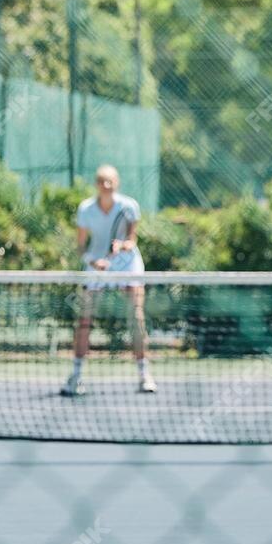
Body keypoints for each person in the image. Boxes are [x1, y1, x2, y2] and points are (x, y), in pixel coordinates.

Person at [62, 165, 155, 395]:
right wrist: (94, 261)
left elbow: (132, 239)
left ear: (117, 183)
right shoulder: (86, 209)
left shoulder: (129, 206)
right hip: (96, 264)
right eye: (101, 181)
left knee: (136, 317)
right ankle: (76, 375)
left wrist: (122, 245)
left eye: (110, 181)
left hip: (127, 264)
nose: (106, 185)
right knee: (84, 320)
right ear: (96, 184)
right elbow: (81, 246)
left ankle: (145, 375)